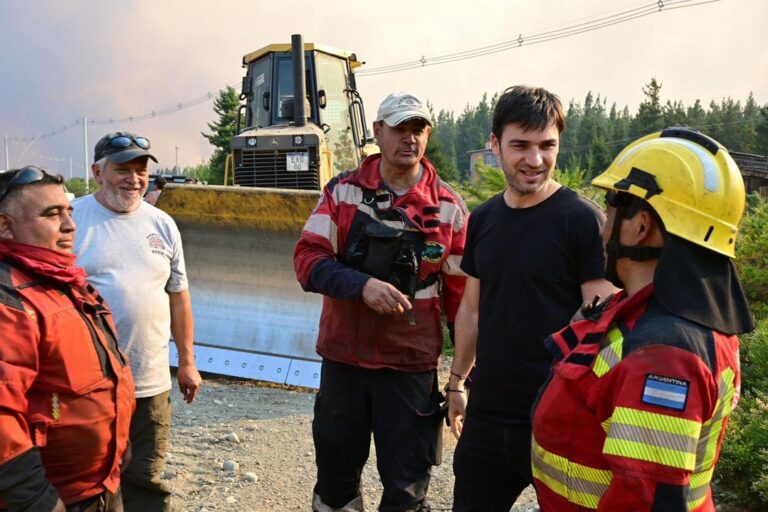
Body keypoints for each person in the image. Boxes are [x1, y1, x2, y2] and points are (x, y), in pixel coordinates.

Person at [530, 128, 755, 511]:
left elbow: (646, 497)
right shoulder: (642, 313)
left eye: (611, 211)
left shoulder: (667, 355)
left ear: (640, 226)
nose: (602, 229)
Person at [294, 91, 469, 512]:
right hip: (345, 363)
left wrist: (461, 380)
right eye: (400, 128)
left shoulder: (449, 209)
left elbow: (465, 304)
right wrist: (360, 286)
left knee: (407, 492)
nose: (409, 139)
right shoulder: (342, 193)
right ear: (377, 131)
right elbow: (307, 259)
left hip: (410, 367)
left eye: (418, 129)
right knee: (335, 486)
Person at [447, 85, 617, 511]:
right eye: (520, 145)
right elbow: (471, 310)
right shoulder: (484, 218)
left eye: (547, 146)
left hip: (557, 418)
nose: (535, 160)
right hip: (488, 413)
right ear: (495, 145)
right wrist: (455, 384)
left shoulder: (581, 220)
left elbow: (604, 325)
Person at [72, 132, 202, 512]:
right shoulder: (72, 222)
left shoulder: (162, 224)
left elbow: (178, 297)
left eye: (141, 170)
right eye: (122, 169)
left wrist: (188, 362)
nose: (134, 179)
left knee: (146, 478)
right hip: (91, 385)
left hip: (150, 382)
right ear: (98, 171)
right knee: (92, 481)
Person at [0, 166, 134, 511]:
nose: (70, 225)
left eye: (69, 212)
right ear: (5, 226)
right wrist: (38, 501)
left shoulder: (63, 280)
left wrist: (118, 446)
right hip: (56, 499)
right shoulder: (9, 298)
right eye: (52, 214)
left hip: (101, 485)